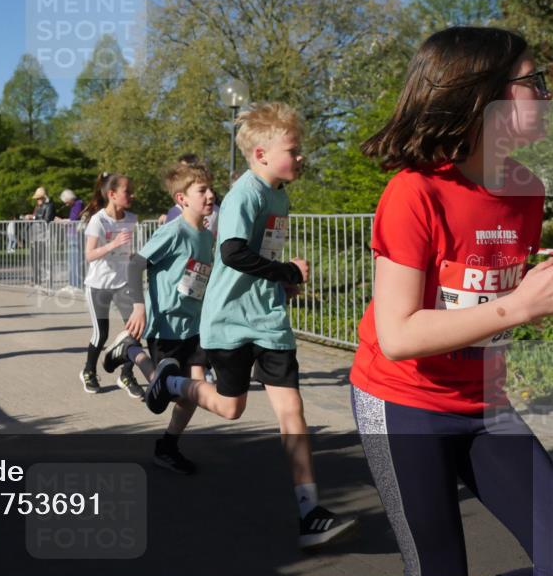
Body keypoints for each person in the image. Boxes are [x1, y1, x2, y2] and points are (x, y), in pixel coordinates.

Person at [349, 27, 552, 576]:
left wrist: (531, 292)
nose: (545, 93)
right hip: (402, 402)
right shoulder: (414, 193)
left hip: (486, 402)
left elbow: (493, 305)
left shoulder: (528, 192)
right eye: (533, 81)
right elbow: (398, 334)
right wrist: (517, 304)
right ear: (480, 94)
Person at [144, 102, 357, 549]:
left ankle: (309, 512)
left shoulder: (279, 193)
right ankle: (174, 382)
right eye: (294, 151)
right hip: (229, 321)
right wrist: (287, 273)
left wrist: (282, 283)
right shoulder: (247, 193)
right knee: (230, 408)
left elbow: (265, 253)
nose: (302, 158)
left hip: (269, 320)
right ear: (261, 154)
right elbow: (233, 252)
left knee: (292, 411)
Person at [102, 161, 216, 473]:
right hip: (166, 323)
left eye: (211, 190)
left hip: (194, 325)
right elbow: (136, 264)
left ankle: (167, 446)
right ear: (182, 199)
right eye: (202, 190)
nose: (210, 196)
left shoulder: (206, 235)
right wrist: (138, 306)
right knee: (162, 392)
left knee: (192, 393)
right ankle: (130, 350)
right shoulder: (173, 231)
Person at [78, 172, 143, 399]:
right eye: (127, 191)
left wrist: (134, 257)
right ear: (112, 194)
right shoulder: (99, 220)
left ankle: (126, 375)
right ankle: (88, 371)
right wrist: (113, 244)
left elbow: (127, 251)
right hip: (98, 285)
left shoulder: (132, 218)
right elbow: (89, 255)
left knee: (135, 330)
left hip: (122, 284)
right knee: (101, 334)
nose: (132, 195)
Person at [57, 189, 85, 293]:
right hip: (72, 234)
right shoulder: (75, 205)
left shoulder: (78, 204)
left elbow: (73, 220)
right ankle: (72, 283)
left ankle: (76, 284)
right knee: (72, 261)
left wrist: (61, 221)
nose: (66, 204)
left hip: (75, 235)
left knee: (75, 261)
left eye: (66, 201)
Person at [25, 187, 55, 287]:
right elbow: (36, 218)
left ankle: (46, 281)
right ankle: (35, 280)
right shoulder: (37, 207)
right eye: (37, 199)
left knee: (44, 259)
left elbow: (47, 219)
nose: (37, 200)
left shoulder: (49, 206)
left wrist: (33, 217)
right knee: (34, 259)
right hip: (35, 235)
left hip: (44, 236)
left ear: (43, 197)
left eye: (39, 198)